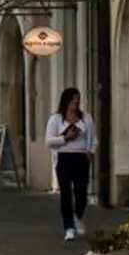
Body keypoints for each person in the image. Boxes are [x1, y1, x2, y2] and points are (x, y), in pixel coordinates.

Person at [45, 87, 94, 238]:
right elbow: (49, 141)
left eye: (77, 100)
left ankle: (77, 216)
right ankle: (68, 227)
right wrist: (65, 138)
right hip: (64, 157)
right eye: (72, 100)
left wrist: (91, 151)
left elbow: (93, 139)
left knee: (81, 192)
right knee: (65, 193)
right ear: (65, 101)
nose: (75, 103)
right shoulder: (56, 119)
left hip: (80, 157)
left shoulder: (86, 118)